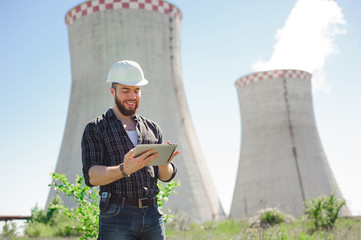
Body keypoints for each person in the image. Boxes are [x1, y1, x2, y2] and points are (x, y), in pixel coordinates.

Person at [81, 60, 179, 240]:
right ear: (113, 91)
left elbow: (164, 176)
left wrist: (165, 164)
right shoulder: (96, 128)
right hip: (117, 215)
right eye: (125, 90)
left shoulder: (152, 128)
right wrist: (123, 170)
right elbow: (91, 176)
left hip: (152, 214)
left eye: (136, 90)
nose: (132, 96)